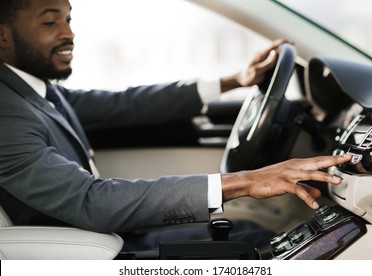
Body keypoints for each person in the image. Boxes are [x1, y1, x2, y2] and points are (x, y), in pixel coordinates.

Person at [0, 0, 351, 251]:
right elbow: (91, 202)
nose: (69, 33)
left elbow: (127, 104)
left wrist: (235, 80)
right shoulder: (6, 111)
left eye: (69, 19)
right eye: (50, 22)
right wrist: (248, 180)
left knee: (251, 234)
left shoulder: (35, 89)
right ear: (3, 36)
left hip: (114, 237)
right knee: (255, 245)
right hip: (90, 253)